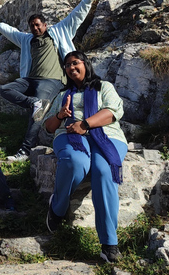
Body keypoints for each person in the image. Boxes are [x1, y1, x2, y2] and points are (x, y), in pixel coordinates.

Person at [0, 0, 107, 162]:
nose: (35, 28)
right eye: (32, 26)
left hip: (51, 81)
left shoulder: (59, 31)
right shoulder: (26, 39)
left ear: (45, 25)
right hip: (29, 80)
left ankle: (24, 151)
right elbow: (10, 32)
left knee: (36, 115)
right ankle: (34, 103)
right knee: (5, 89)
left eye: (38, 25)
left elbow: (76, 16)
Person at [42, 50, 127, 264]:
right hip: (69, 136)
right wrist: (61, 115)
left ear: (85, 64)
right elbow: (49, 128)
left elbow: (113, 112)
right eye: (67, 66)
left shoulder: (104, 87)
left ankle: (109, 244)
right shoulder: (63, 95)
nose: (71, 68)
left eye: (75, 63)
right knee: (75, 162)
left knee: (103, 170)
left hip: (106, 135)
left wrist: (85, 124)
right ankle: (57, 208)